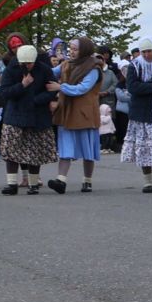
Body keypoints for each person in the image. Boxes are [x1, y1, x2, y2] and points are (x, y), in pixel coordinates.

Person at [47, 36, 104, 192]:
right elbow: (50, 72)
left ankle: (87, 181)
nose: (71, 52)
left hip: (85, 113)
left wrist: (60, 87)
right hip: (67, 111)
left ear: (84, 50)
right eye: (70, 48)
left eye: (75, 49)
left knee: (87, 150)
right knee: (66, 147)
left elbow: (82, 88)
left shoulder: (94, 68)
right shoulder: (66, 64)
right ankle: (61, 181)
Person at [0, 43, 56, 193]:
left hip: (37, 115)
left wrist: (36, 101)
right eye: (23, 63)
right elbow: (5, 93)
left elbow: (51, 90)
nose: (26, 66)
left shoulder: (44, 69)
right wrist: (22, 85)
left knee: (34, 151)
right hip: (15, 115)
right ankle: (12, 184)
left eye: (29, 63)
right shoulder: (11, 70)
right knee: (10, 151)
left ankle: (33, 185)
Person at [120, 38, 152, 192]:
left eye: (150, 51)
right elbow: (132, 87)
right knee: (143, 147)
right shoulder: (135, 65)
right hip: (141, 112)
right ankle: (148, 181)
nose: (147, 54)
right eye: (144, 52)